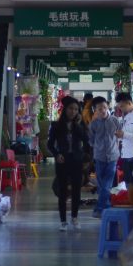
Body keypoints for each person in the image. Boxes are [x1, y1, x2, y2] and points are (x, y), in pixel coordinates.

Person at [47, 96, 89, 231]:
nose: (73, 111)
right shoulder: (56, 126)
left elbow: (86, 142)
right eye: (71, 108)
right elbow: (50, 144)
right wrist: (56, 154)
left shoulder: (80, 125)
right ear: (65, 109)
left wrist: (84, 158)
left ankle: (75, 218)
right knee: (63, 191)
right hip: (62, 161)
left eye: (76, 109)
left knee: (77, 190)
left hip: (76, 161)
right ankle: (63, 221)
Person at [88, 96, 120, 217]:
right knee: (101, 185)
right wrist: (98, 146)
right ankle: (106, 206)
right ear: (95, 109)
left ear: (108, 107)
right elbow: (90, 140)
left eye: (105, 107)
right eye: (100, 109)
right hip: (99, 156)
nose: (103, 110)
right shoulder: (93, 124)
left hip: (113, 156)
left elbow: (119, 136)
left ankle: (100, 208)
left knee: (107, 184)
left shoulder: (115, 120)